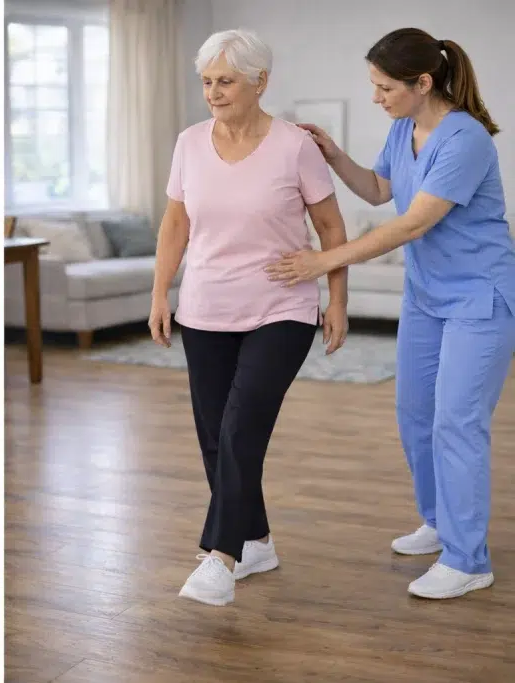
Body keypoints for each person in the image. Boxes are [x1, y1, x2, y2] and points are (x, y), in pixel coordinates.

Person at [267, 28, 515, 600]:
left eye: (384, 88)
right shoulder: (404, 128)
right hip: (427, 296)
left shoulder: (466, 139)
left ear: (421, 83)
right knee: (415, 416)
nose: (377, 97)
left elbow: (411, 223)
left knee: (457, 422)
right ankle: (440, 521)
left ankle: (468, 557)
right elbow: (380, 190)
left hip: (480, 297)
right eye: (373, 87)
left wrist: (322, 262)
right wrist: (334, 155)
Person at [149, 28, 350, 607]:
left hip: (281, 308)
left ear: (261, 82)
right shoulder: (189, 143)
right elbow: (175, 226)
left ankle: (222, 557)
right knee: (215, 436)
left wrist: (336, 300)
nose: (213, 92)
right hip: (206, 307)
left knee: (241, 427)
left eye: (226, 81)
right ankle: (256, 539)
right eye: (207, 81)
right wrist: (161, 293)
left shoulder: (294, 147)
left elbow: (332, 230)